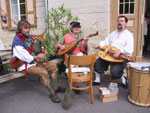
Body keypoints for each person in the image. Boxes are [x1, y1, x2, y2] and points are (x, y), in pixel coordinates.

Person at [12, 20, 65, 103]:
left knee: (53, 66)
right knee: (43, 72)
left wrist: (43, 50)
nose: (28, 30)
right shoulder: (17, 41)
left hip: (35, 62)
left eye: (28, 28)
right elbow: (26, 57)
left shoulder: (29, 37)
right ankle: (52, 93)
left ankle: (56, 87)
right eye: (25, 28)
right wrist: (37, 56)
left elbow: (37, 48)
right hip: (25, 65)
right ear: (20, 29)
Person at [93, 16, 134, 88]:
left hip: (120, 57)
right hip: (109, 55)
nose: (119, 22)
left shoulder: (128, 35)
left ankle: (123, 79)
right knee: (97, 63)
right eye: (118, 21)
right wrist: (99, 45)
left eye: (122, 21)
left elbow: (130, 49)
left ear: (126, 23)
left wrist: (120, 51)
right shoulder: (113, 33)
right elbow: (106, 41)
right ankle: (97, 80)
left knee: (115, 72)